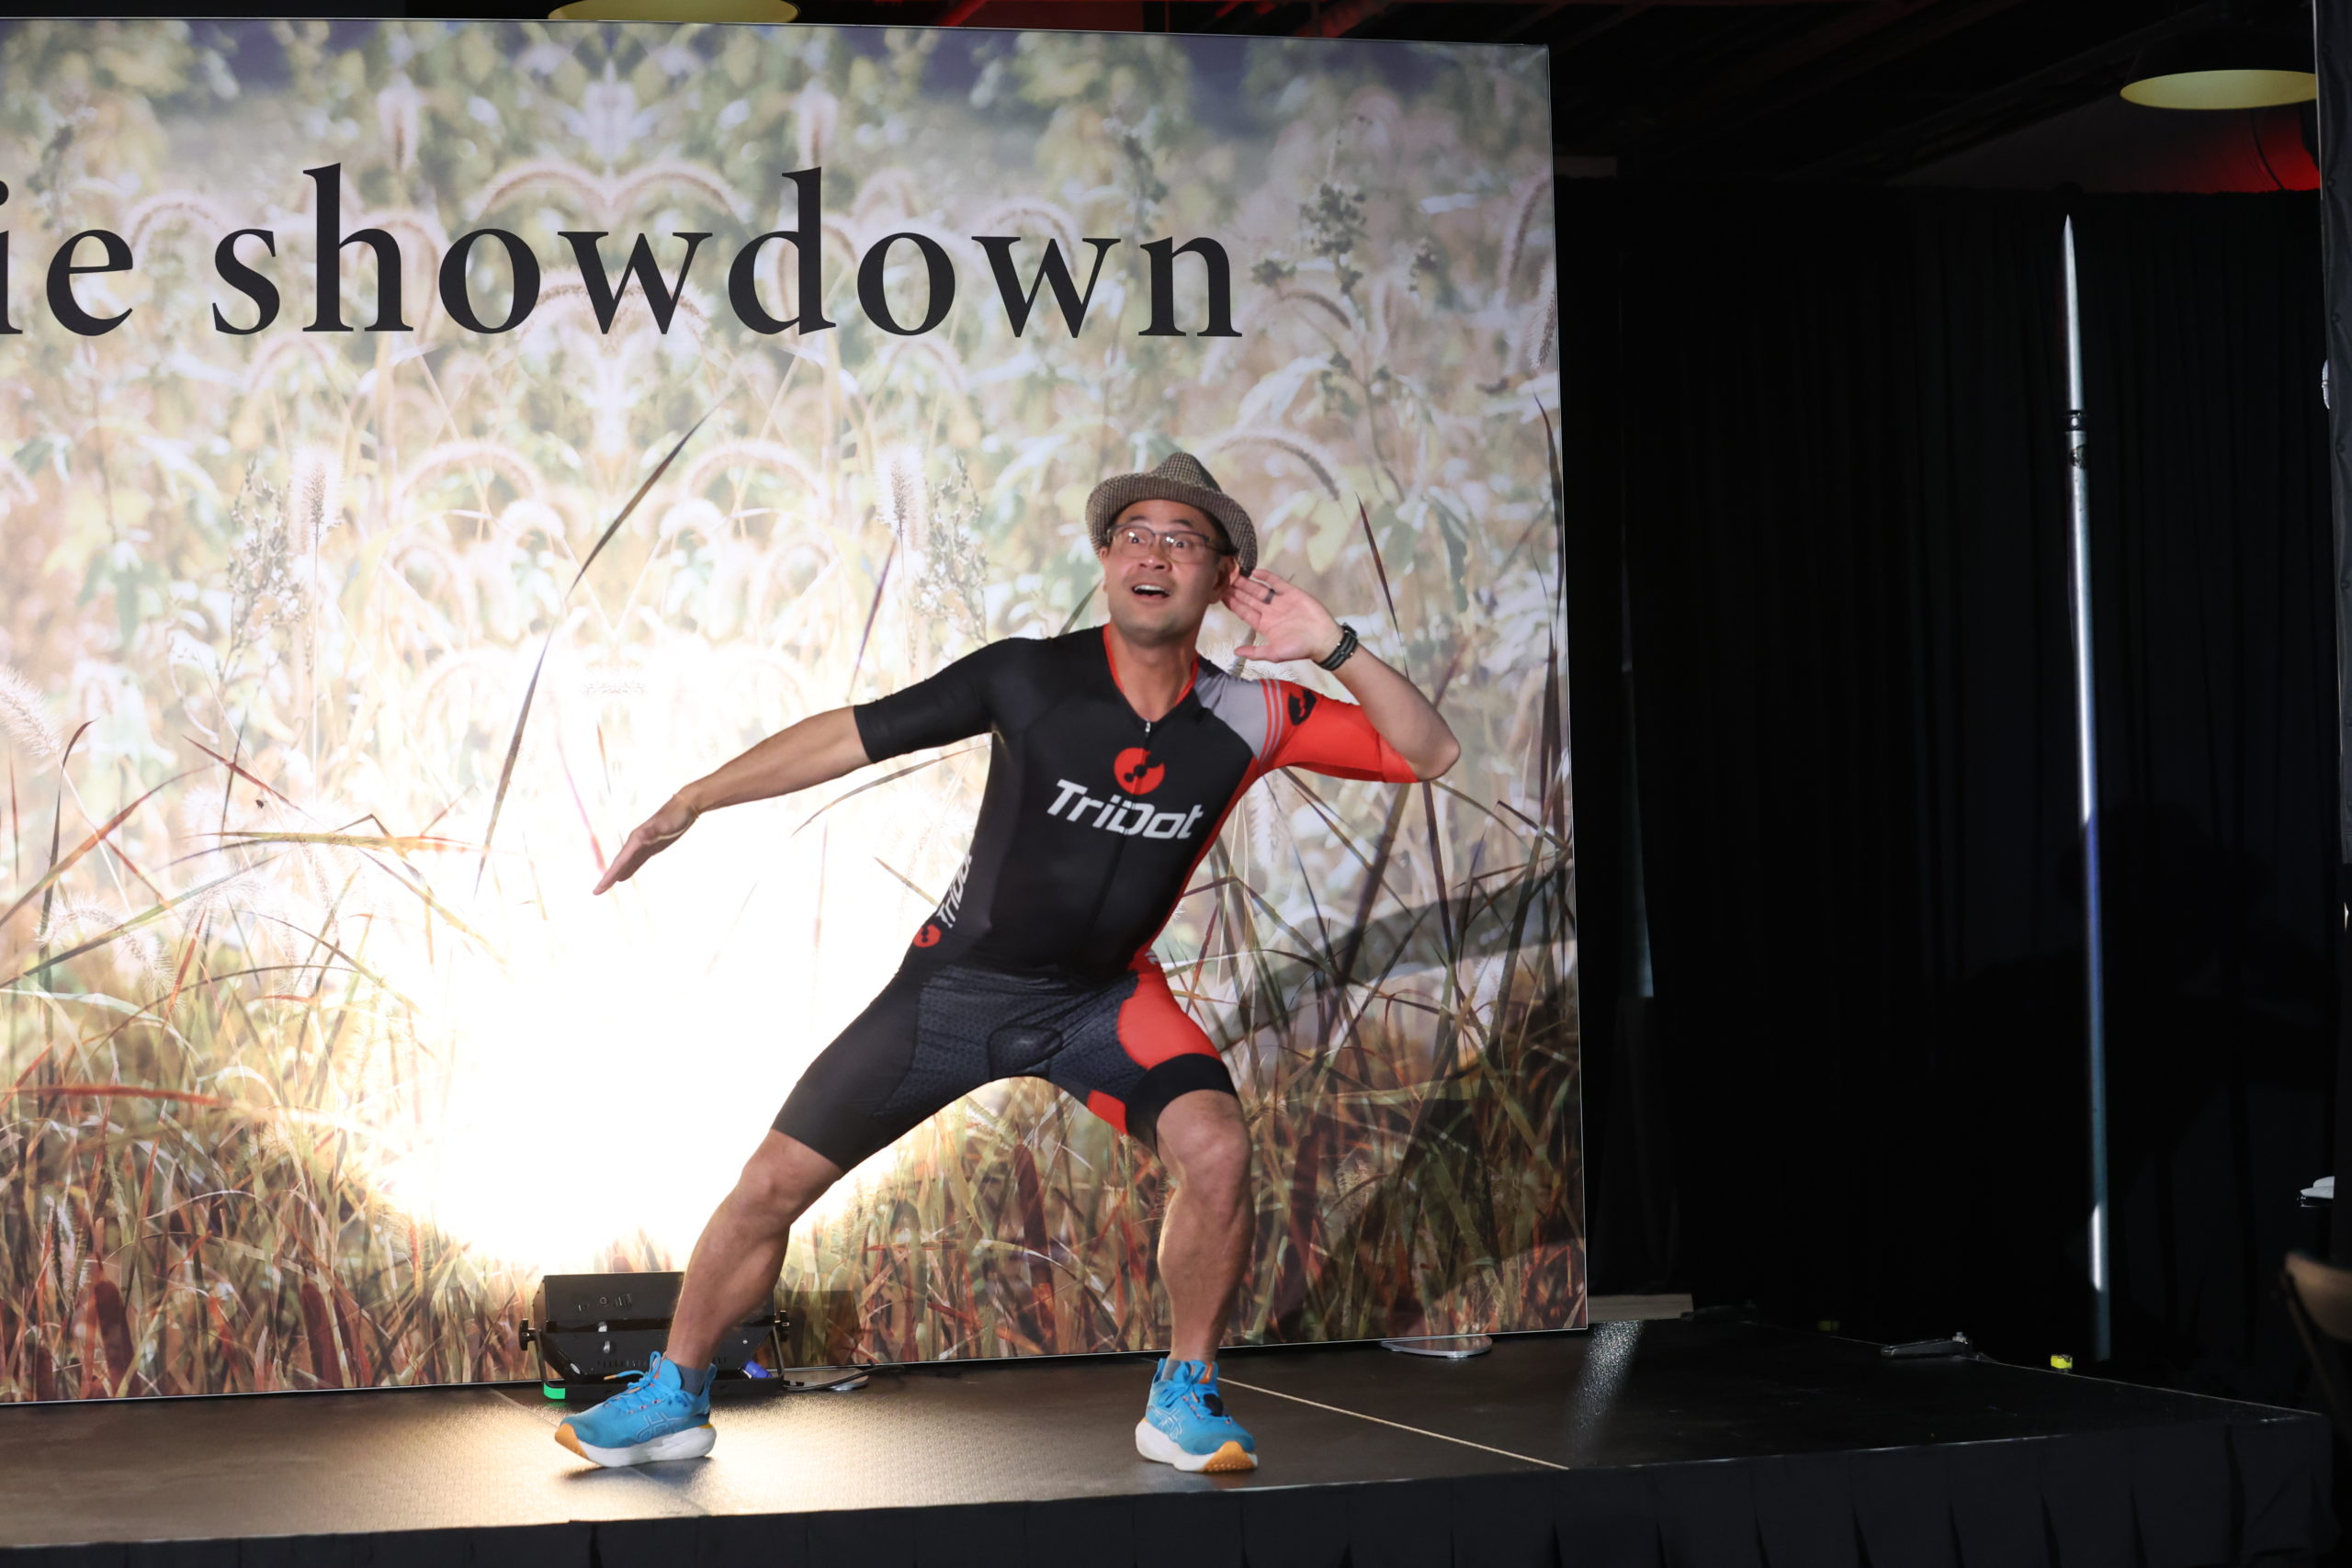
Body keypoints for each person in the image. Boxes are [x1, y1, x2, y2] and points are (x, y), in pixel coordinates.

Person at [553, 451, 1459, 1474]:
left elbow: (1428, 753)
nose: (1151, 555)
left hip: (1103, 1002)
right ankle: (674, 1393)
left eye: (1181, 540)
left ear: (1222, 578)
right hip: (952, 995)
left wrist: (1331, 646)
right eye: (1132, 535)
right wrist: (692, 799)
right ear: (1106, 561)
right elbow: (849, 737)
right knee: (767, 1187)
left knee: (1214, 1146)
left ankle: (1185, 1398)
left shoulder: (1254, 713)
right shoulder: (1028, 675)